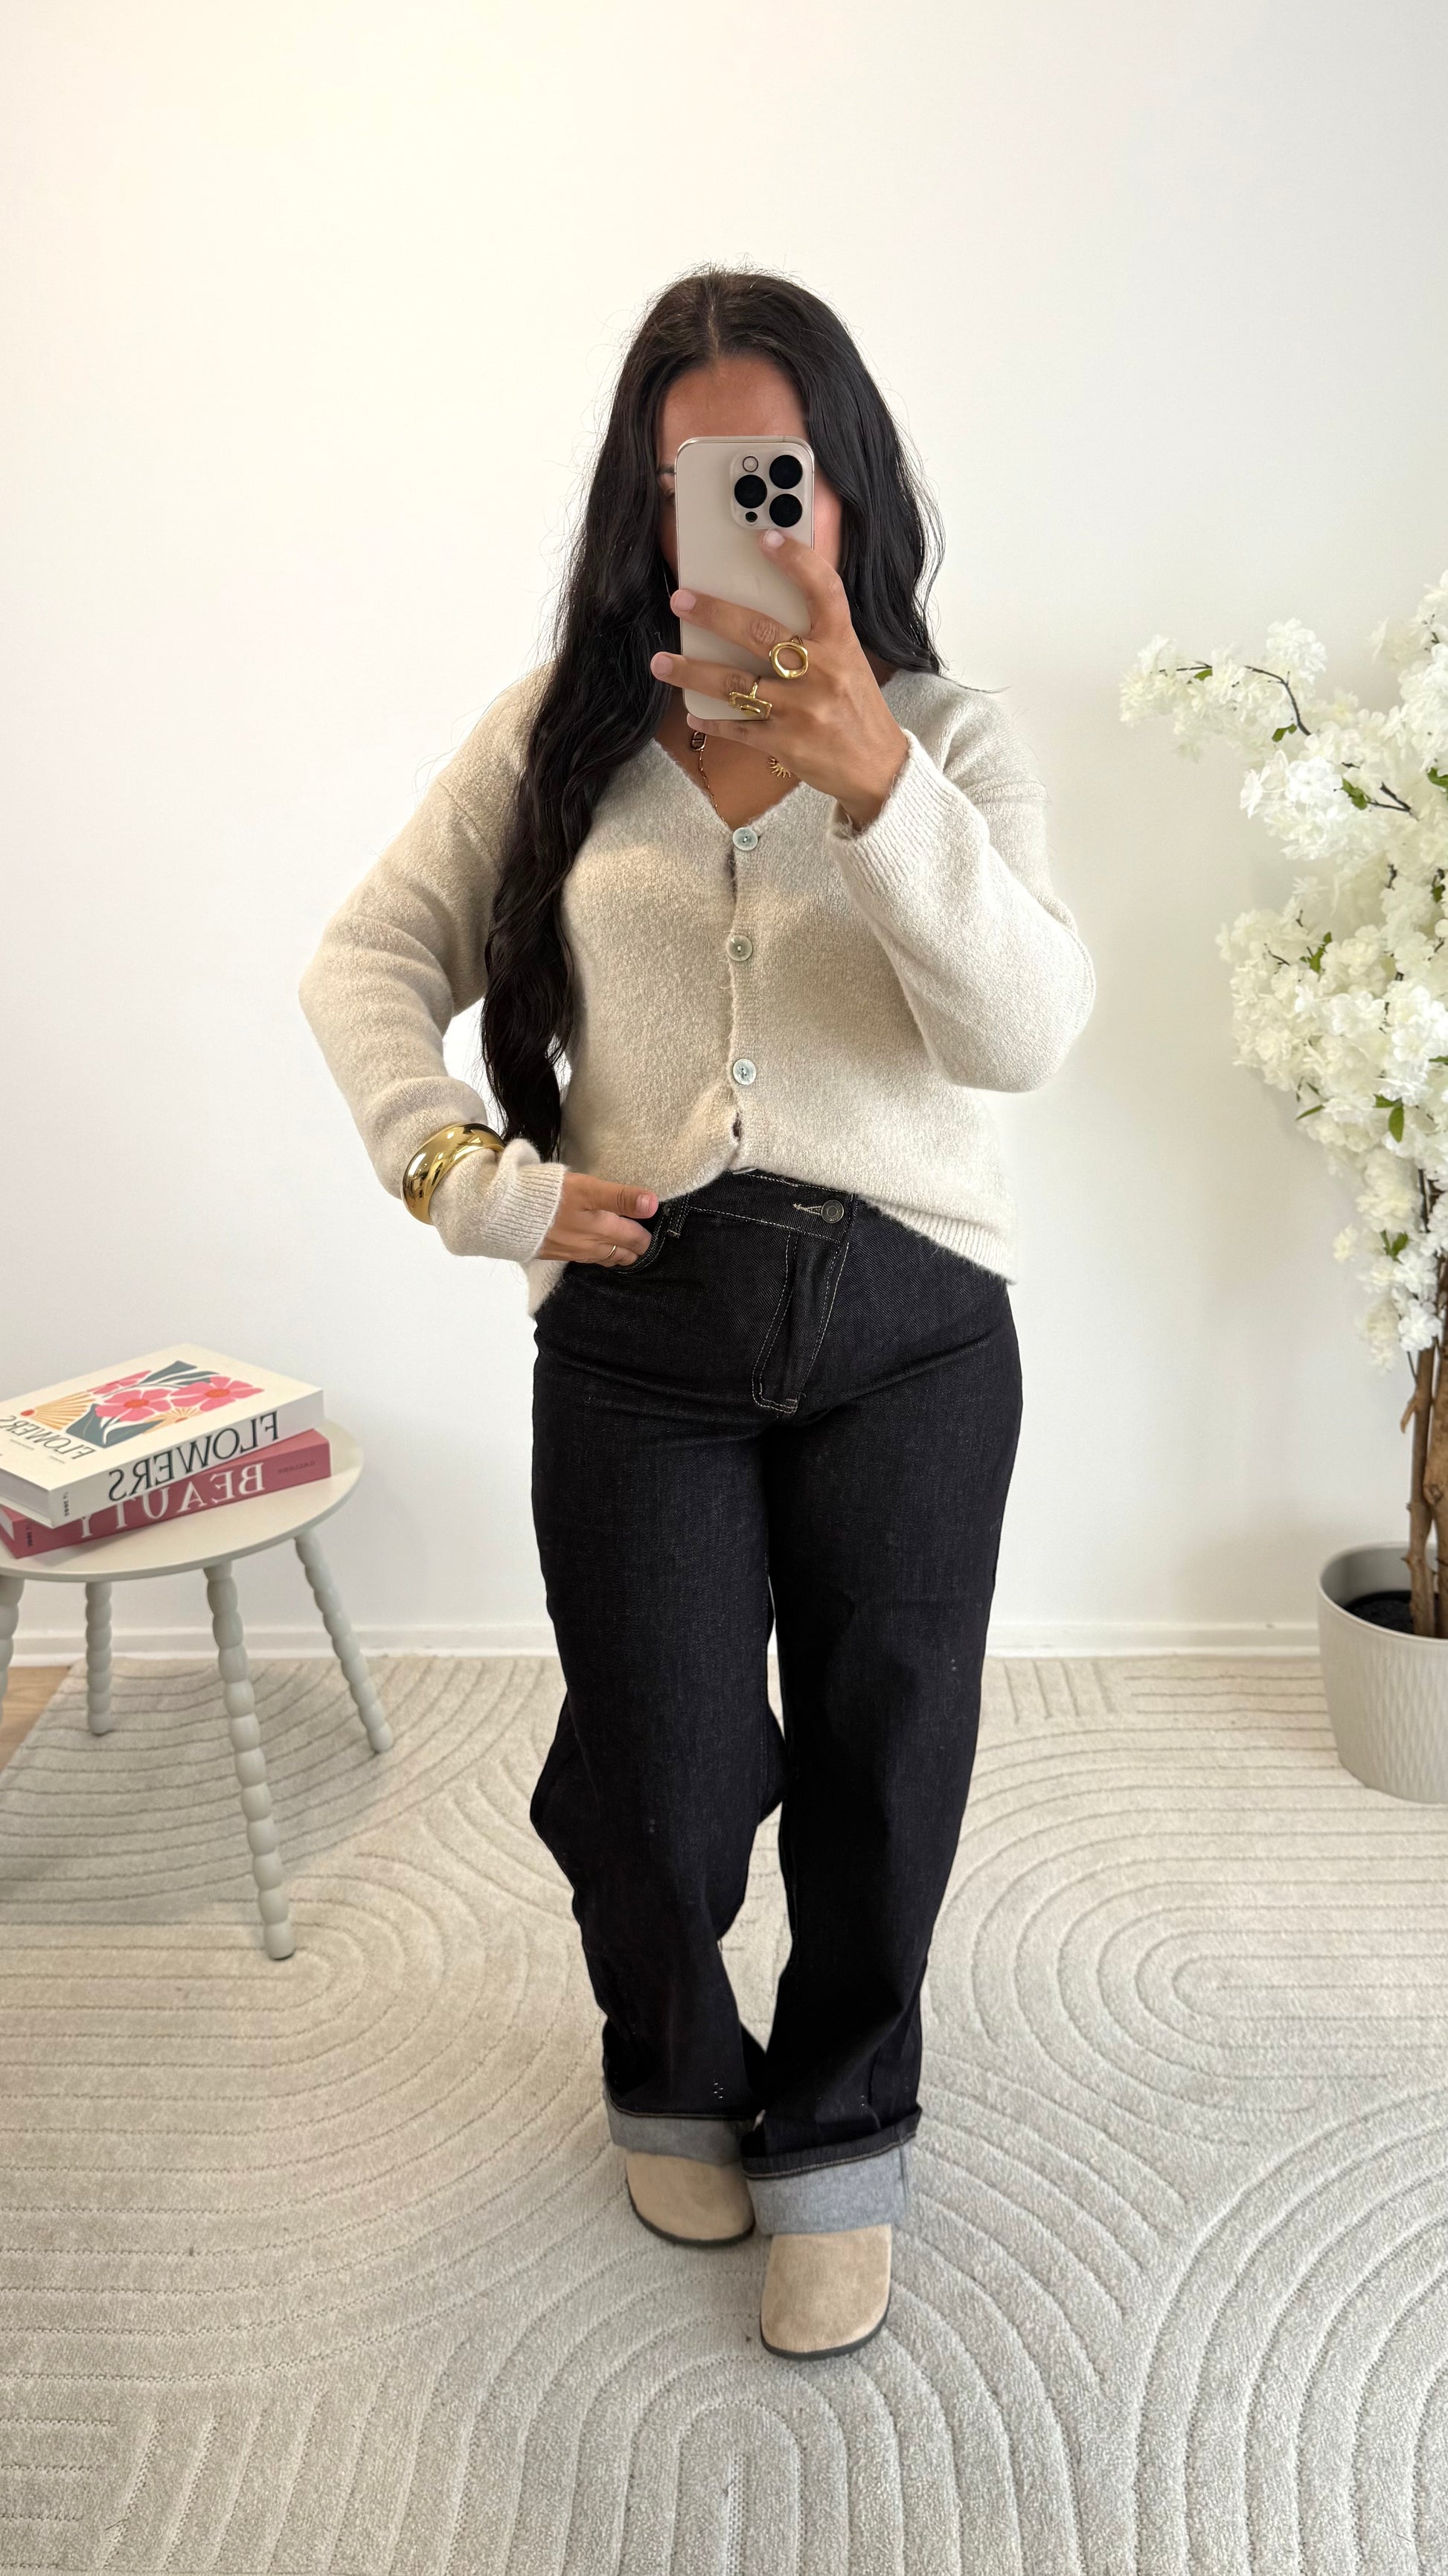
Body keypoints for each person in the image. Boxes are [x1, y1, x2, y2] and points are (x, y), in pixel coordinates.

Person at [297, 266, 1095, 2361]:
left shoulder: (949, 736)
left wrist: (878, 789)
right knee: (660, 1777)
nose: (743, 510)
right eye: (697, 478)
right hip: (642, 1336)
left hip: (917, 1335)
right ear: (642, 503)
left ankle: (841, 2135)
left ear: (843, 486)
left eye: (777, 471)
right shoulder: (557, 735)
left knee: (885, 1762)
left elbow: (1024, 1038)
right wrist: (470, 1181)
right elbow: (365, 961)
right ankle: (668, 2064)